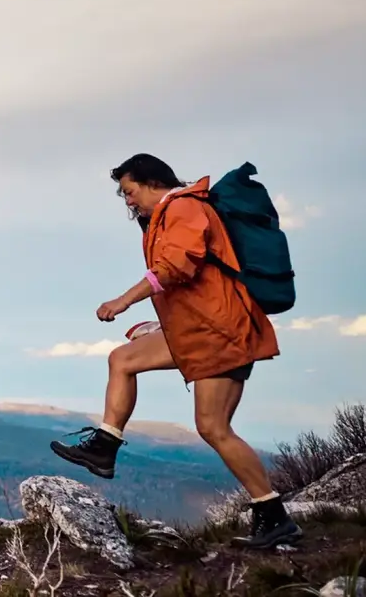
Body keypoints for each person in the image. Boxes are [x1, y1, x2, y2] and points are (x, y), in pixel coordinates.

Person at [49, 153, 299, 550]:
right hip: (198, 329)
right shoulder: (167, 217)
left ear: (151, 183)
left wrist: (123, 301)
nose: (128, 202)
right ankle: (105, 447)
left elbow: (175, 268)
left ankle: (273, 515)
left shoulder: (184, 208)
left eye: (129, 192)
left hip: (222, 333)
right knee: (123, 359)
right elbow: (197, 289)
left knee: (213, 427)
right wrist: (160, 326)